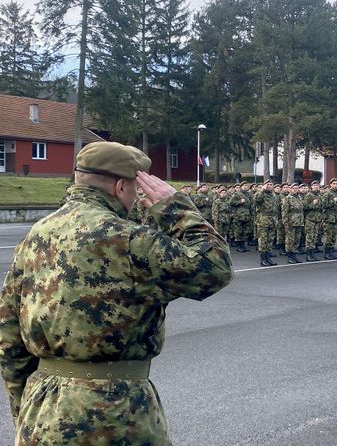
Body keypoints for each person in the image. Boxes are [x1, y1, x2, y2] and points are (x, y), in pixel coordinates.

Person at [0, 141, 234, 445]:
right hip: (118, 413)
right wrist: (176, 208)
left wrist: (27, 410)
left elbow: (9, 338)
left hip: (44, 410)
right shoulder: (131, 240)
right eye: (136, 190)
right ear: (121, 187)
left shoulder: (35, 236)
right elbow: (215, 267)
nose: (136, 199)